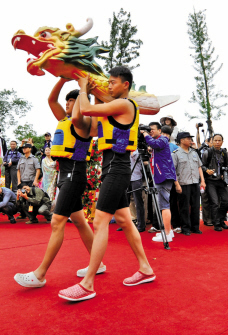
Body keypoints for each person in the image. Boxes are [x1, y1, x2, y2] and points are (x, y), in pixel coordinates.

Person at [58, 67, 155, 302]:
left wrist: (84, 89)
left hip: (117, 168)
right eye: (107, 83)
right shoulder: (109, 111)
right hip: (109, 168)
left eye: (113, 82)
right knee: (124, 219)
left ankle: (88, 283)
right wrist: (86, 93)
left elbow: (89, 108)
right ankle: (146, 269)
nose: (109, 86)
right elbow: (86, 123)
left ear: (125, 85)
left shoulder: (126, 104)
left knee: (100, 221)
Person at [14, 80, 101, 292]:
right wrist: (63, 78)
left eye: (73, 101)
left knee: (57, 222)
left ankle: (40, 274)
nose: (68, 104)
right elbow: (51, 100)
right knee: (80, 221)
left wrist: (83, 91)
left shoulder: (81, 122)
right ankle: (98, 263)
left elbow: (82, 113)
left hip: (74, 173)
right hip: (65, 173)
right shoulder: (65, 119)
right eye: (68, 101)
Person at [142, 121, 182, 242]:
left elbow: (153, 143)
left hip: (163, 176)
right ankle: (167, 231)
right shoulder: (160, 141)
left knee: (164, 206)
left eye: (152, 130)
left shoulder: (163, 139)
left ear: (160, 130)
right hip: (162, 175)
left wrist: (144, 134)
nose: (150, 132)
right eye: (148, 130)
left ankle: (167, 234)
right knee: (163, 205)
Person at [172, 132, 206, 235]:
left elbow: (199, 166)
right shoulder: (175, 153)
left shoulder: (194, 152)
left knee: (196, 206)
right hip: (183, 183)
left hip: (195, 182)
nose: (190, 140)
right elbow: (172, 170)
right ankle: (185, 228)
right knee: (184, 207)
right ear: (181, 140)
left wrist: (202, 181)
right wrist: (176, 184)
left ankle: (195, 227)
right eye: (188, 138)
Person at [202, 134, 228, 232]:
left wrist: (226, 173)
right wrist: (207, 170)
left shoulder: (224, 153)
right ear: (212, 141)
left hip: (222, 181)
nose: (217, 142)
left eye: (219, 140)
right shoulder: (207, 152)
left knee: (226, 201)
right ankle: (216, 223)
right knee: (214, 203)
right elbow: (201, 166)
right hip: (211, 181)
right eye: (215, 140)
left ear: (222, 142)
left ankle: (222, 219)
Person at [129, 149, 146, 232]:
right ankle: (126, 223)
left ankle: (141, 225)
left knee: (138, 202)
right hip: (126, 178)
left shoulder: (137, 151)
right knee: (125, 203)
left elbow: (140, 160)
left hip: (136, 178)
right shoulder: (124, 149)